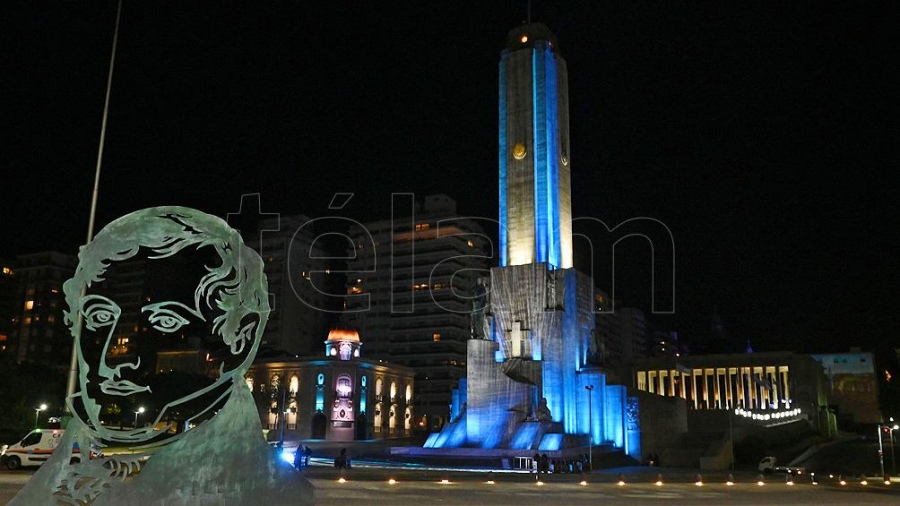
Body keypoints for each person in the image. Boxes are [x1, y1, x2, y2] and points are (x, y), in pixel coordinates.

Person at [10, 206, 314, 505]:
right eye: (99, 317)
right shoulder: (61, 472)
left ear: (241, 337)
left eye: (166, 321)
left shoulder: (268, 491)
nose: (117, 355)